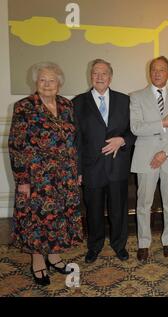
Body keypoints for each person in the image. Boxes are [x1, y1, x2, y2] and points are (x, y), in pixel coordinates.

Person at [8, 62, 83, 286]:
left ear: (59, 83)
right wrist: (22, 180)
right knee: (36, 219)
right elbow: (16, 144)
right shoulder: (24, 106)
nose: (47, 84)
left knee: (58, 218)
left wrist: (76, 171)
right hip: (37, 178)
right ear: (36, 82)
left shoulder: (67, 105)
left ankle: (54, 255)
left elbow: (73, 141)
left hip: (64, 176)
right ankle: (38, 259)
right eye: (42, 80)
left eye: (51, 80)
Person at [73, 59, 136, 264]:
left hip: (117, 166)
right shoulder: (78, 102)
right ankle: (95, 246)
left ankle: (119, 245)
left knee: (119, 210)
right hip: (92, 168)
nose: (99, 77)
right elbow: (76, 140)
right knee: (94, 212)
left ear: (110, 77)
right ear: (90, 76)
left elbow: (134, 131)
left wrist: (122, 140)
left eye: (103, 73)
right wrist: (78, 169)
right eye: (95, 73)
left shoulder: (125, 101)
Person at [130, 56, 168, 261]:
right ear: (149, 72)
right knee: (144, 202)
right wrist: (163, 123)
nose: (157, 73)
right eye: (154, 69)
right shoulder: (136, 97)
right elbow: (136, 127)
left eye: (162, 70)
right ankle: (144, 243)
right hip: (145, 156)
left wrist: (165, 152)